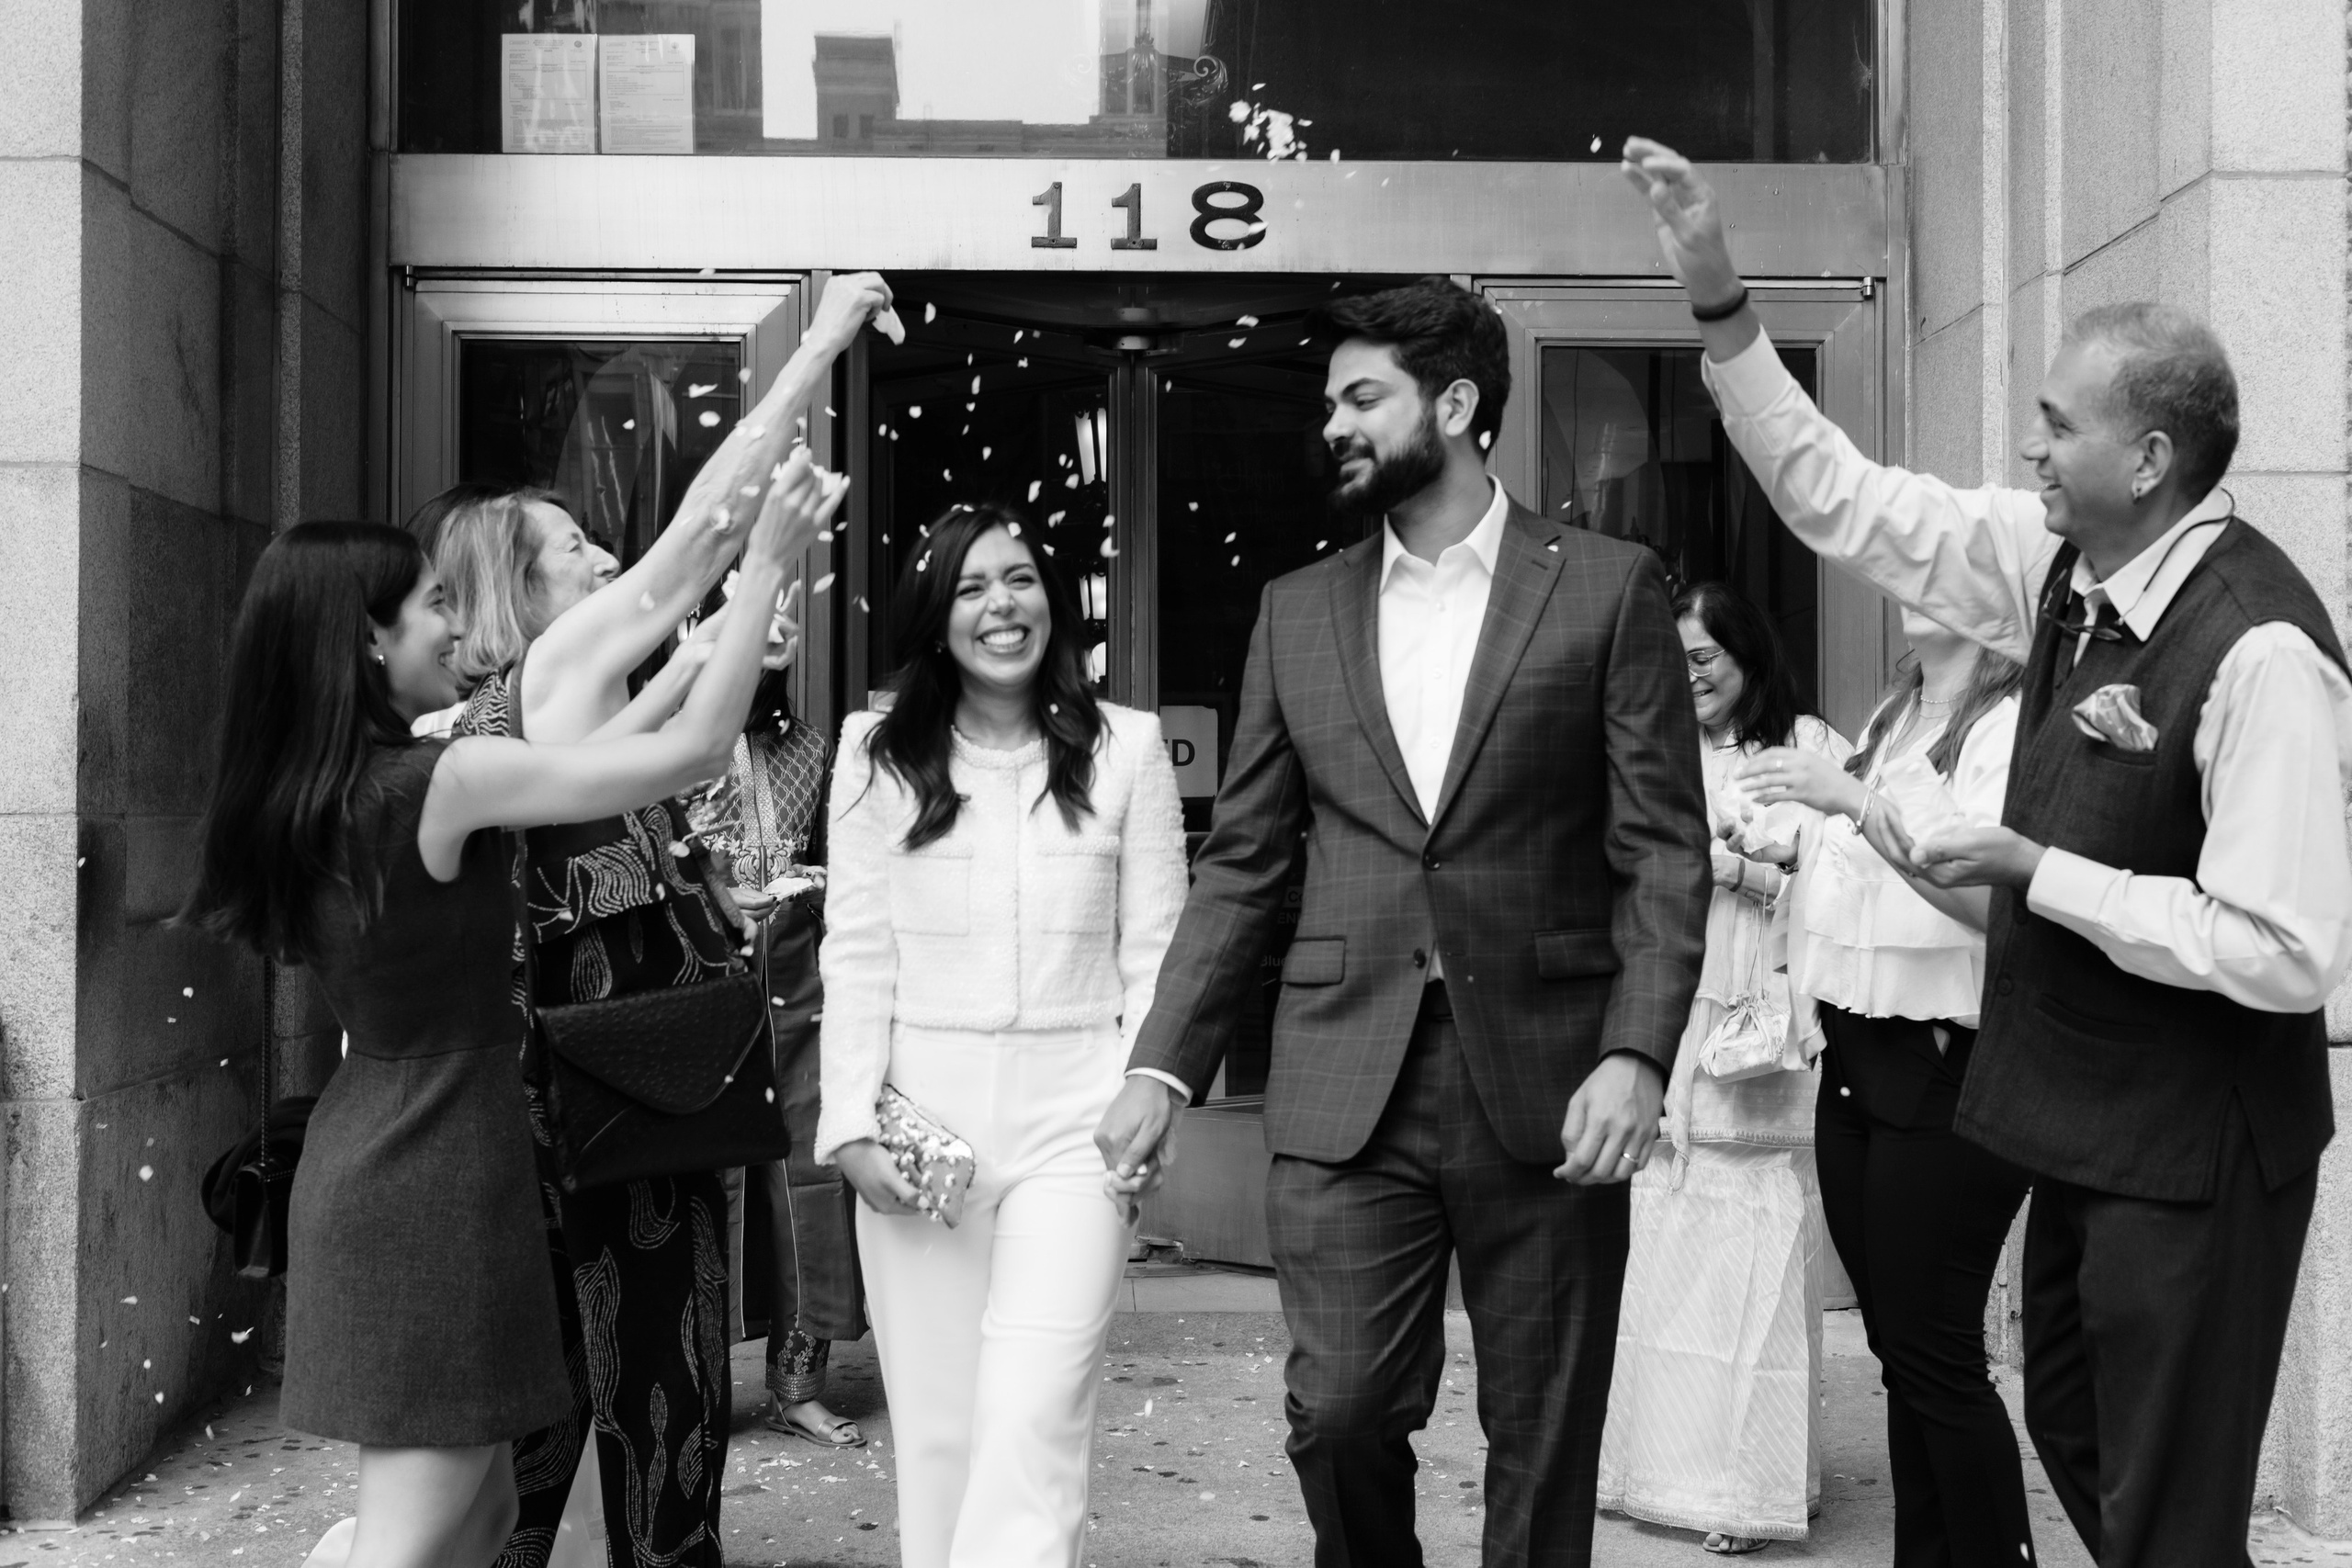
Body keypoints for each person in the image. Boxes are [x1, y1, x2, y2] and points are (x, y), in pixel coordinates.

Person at [1626, 136, 2352, 1567]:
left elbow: (2285, 950)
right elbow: (1844, 496)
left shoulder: (2264, 647)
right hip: (2080, 1124)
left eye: (2054, 425)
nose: (2029, 452)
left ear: (2147, 459)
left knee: (2170, 1502)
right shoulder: (2057, 563)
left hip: (2203, 1151)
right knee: (2080, 1437)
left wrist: (2037, 870)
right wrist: (1722, 308)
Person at [1095, 276, 1713, 1568]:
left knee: (1543, 1439)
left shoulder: (1605, 588)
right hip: (1340, 1077)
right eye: (1331, 401)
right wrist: (1164, 1059)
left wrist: (1638, 1050)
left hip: (1548, 1077)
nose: (1336, 423)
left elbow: (1661, 845)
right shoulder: (1296, 609)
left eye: (1361, 396)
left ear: (1458, 403)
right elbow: (1247, 863)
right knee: (1338, 1412)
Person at [176, 454, 823, 1568]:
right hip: (424, 1182)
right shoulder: (434, 782)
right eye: (430, 604)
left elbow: (607, 755)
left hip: (421, 1163)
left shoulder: (346, 788)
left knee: (471, 1523)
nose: (452, 623)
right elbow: (686, 750)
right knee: (418, 1540)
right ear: (366, 641)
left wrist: (697, 658)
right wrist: (762, 560)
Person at [434, 271, 894, 1568]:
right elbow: (705, 525)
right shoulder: (554, 668)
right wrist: (823, 342)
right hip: (614, 1093)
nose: (603, 556)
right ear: (522, 596)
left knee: (572, 1404)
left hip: (571, 1092)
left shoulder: (520, 720)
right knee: (660, 1400)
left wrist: (713, 651)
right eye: (575, 547)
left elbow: (662, 751)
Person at [817, 502, 1187, 1568]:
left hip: (1080, 1120)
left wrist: (1149, 1093)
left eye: (1019, 579)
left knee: (1034, 1414)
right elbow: (856, 950)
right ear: (938, 618)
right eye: (973, 587)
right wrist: (847, 1125)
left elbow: (1154, 951)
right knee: (939, 1435)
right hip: (920, 1123)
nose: (1001, 606)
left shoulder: (1128, 748)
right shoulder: (874, 755)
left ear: (1053, 601)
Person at [1740, 602, 2029, 1566]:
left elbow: (1992, 901)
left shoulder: (2007, 724)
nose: (1913, 580)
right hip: (1855, 1065)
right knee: (1903, 1357)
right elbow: (1852, 880)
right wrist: (1789, 842)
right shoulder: (1892, 714)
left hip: (1946, 1068)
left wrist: (1852, 804)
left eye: (1939, 564)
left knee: (1935, 1354)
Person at [1598, 582, 1848, 1554]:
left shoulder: (1809, 751)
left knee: (1759, 1246)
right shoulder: (1644, 748)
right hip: (1665, 1012)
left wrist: (1737, 868)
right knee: (1664, 1233)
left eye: (1706, 660)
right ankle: (1651, 1474)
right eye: (1679, 660)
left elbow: (1841, 887)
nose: (1691, 678)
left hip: (1760, 1024)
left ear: (1750, 656)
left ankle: (1749, 1493)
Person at [684, 666, 870, 1448]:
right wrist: (717, 895)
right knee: (703, 1184)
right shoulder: (675, 750)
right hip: (704, 988)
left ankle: (799, 1386)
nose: (759, 667)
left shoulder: (818, 752)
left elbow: (853, 869)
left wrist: (807, 886)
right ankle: (699, 1391)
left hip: (799, 982)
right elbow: (657, 866)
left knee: (809, 1184)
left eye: (774, 652)